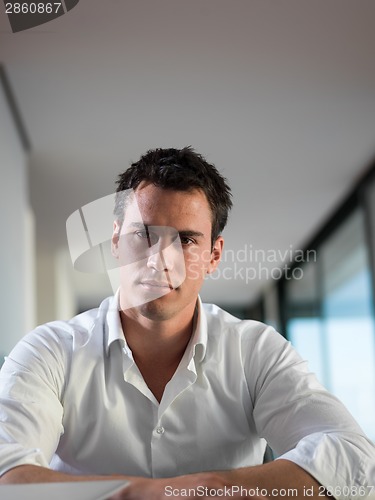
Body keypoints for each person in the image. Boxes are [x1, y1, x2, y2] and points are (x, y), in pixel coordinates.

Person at [0, 147, 374, 499]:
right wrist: (164, 491)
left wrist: (208, 487)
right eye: (142, 234)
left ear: (214, 256)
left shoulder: (255, 351)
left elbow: (356, 461)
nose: (159, 261)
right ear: (114, 240)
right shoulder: (50, 350)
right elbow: (6, 474)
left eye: (185, 240)